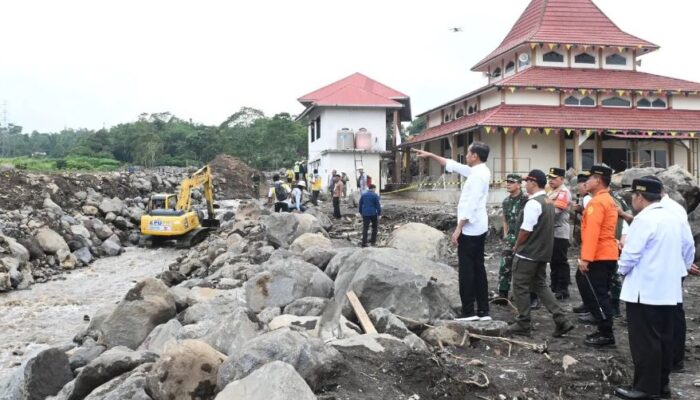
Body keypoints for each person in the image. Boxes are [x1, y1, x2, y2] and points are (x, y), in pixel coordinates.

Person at [614, 178, 694, 400]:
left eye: (633, 195)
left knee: (644, 342)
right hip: (669, 289)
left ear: (640, 196)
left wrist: (620, 270)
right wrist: (682, 269)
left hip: (644, 291)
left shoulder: (644, 219)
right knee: (665, 339)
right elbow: (688, 248)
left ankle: (645, 389)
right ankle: (662, 386)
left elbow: (631, 253)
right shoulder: (674, 216)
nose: (632, 199)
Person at [415, 142, 491, 321]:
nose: (466, 155)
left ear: (475, 156)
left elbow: (470, 205)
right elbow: (453, 165)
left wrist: (458, 229)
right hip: (478, 227)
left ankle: (469, 311)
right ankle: (483, 310)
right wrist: (431, 155)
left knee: (467, 271)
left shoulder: (476, 177)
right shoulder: (480, 171)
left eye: (468, 153)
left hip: (470, 229)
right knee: (479, 268)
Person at [507, 169, 575, 338]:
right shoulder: (548, 200)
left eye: (527, 181)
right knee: (540, 285)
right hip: (543, 252)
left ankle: (523, 322)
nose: (525, 184)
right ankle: (561, 319)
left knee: (520, 286)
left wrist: (517, 245)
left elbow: (526, 229)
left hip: (528, 252)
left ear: (533, 182)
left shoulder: (533, 203)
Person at [577, 165, 619, 347]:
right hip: (605, 254)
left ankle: (606, 332)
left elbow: (593, 232)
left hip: (599, 255)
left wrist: (586, 258)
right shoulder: (606, 199)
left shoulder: (597, 202)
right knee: (592, 288)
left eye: (591, 178)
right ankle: (603, 326)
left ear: (599, 181)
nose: (587, 181)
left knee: (597, 294)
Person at [497, 174, 528, 300]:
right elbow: (505, 219)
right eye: (507, 182)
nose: (508, 184)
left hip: (524, 238)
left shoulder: (526, 200)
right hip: (510, 238)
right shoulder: (506, 201)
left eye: (512, 182)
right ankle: (502, 294)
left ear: (519, 184)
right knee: (504, 265)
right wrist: (505, 234)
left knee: (521, 268)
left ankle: (520, 296)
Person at [546, 167, 573, 300]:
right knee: (553, 260)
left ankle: (563, 289)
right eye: (549, 178)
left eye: (554, 178)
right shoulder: (551, 191)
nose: (550, 180)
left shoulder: (563, 192)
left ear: (562, 179)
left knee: (560, 261)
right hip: (552, 232)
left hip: (560, 231)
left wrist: (545, 206)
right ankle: (555, 285)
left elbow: (556, 210)